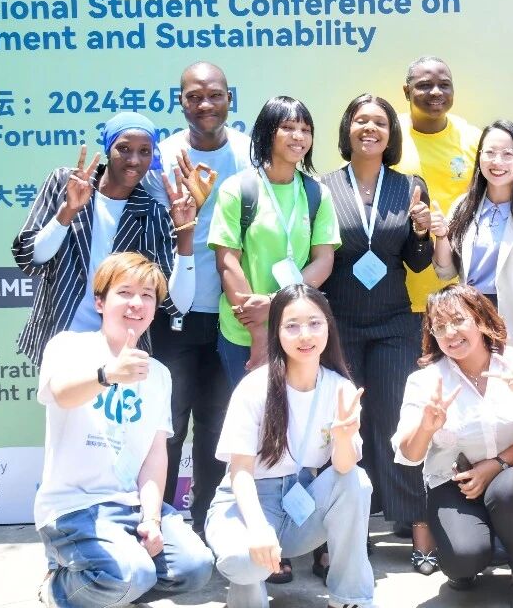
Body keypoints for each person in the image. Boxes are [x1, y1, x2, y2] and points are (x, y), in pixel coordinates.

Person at [34, 252, 214, 608]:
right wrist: (108, 374)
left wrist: (152, 519)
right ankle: (58, 588)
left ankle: (115, 586)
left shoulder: (158, 374)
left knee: (195, 568)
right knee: (133, 573)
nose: (137, 303)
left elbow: (155, 455)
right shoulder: (69, 346)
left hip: (130, 506)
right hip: (74, 507)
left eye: (147, 295)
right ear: (100, 302)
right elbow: (61, 394)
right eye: (125, 292)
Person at [204, 284, 375, 608]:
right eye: (292, 326)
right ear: (277, 332)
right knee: (244, 559)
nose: (305, 335)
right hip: (249, 501)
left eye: (314, 323)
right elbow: (240, 472)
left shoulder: (340, 388)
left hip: (302, 501)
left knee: (357, 480)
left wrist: (343, 436)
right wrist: (257, 528)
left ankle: (349, 599)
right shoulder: (255, 387)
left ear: (328, 327)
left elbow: (343, 468)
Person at [320, 93, 434, 557]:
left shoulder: (409, 187)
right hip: (339, 323)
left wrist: (422, 232)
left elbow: (418, 261)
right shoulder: (323, 186)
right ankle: (346, 529)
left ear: (391, 134)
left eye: (380, 123)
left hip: (393, 323)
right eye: (361, 120)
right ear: (347, 129)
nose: (370, 129)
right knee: (346, 426)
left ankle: (415, 525)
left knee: (394, 421)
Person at [143, 61, 252, 531]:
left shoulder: (251, 154)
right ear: (181, 102)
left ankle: (208, 523)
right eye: (194, 96)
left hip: (232, 314)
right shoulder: (162, 157)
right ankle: (160, 524)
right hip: (174, 313)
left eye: (214, 95)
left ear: (230, 99)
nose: (205, 104)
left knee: (217, 427)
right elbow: (146, 230)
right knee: (167, 426)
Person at [392, 285, 513, 608]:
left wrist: (496, 465)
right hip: (454, 484)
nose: (450, 333)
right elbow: (409, 455)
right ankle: (479, 553)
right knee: (463, 557)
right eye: (440, 326)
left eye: (458, 320)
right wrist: (426, 427)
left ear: (481, 319)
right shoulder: (425, 381)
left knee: (511, 491)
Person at [14, 112, 197, 365]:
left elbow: (177, 305)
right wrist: (68, 211)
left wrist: (185, 232)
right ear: (108, 148)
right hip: (60, 340)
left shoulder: (153, 213)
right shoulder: (66, 183)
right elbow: (29, 258)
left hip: (122, 352)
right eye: (124, 148)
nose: (134, 160)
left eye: (144, 151)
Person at [209, 96, 341, 391]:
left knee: (294, 414)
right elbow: (227, 263)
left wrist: (273, 303)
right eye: (289, 127)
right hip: (242, 332)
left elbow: (324, 260)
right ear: (268, 132)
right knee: (252, 414)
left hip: (298, 329)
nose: (299, 136)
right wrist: (258, 332)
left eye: (306, 130)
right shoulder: (238, 189)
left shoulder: (317, 193)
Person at [432, 120, 513, 345]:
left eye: (508, 154)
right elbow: (446, 272)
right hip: (469, 314)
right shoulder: (463, 206)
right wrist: (441, 236)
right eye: (490, 152)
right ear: (479, 156)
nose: (497, 162)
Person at [394, 55, 482, 315]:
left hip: (459, 287)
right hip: (399, 287)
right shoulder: (388, 135)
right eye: (424, 85)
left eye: (444, 85)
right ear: (406, 91)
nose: (436, 92)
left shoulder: (473, 139)